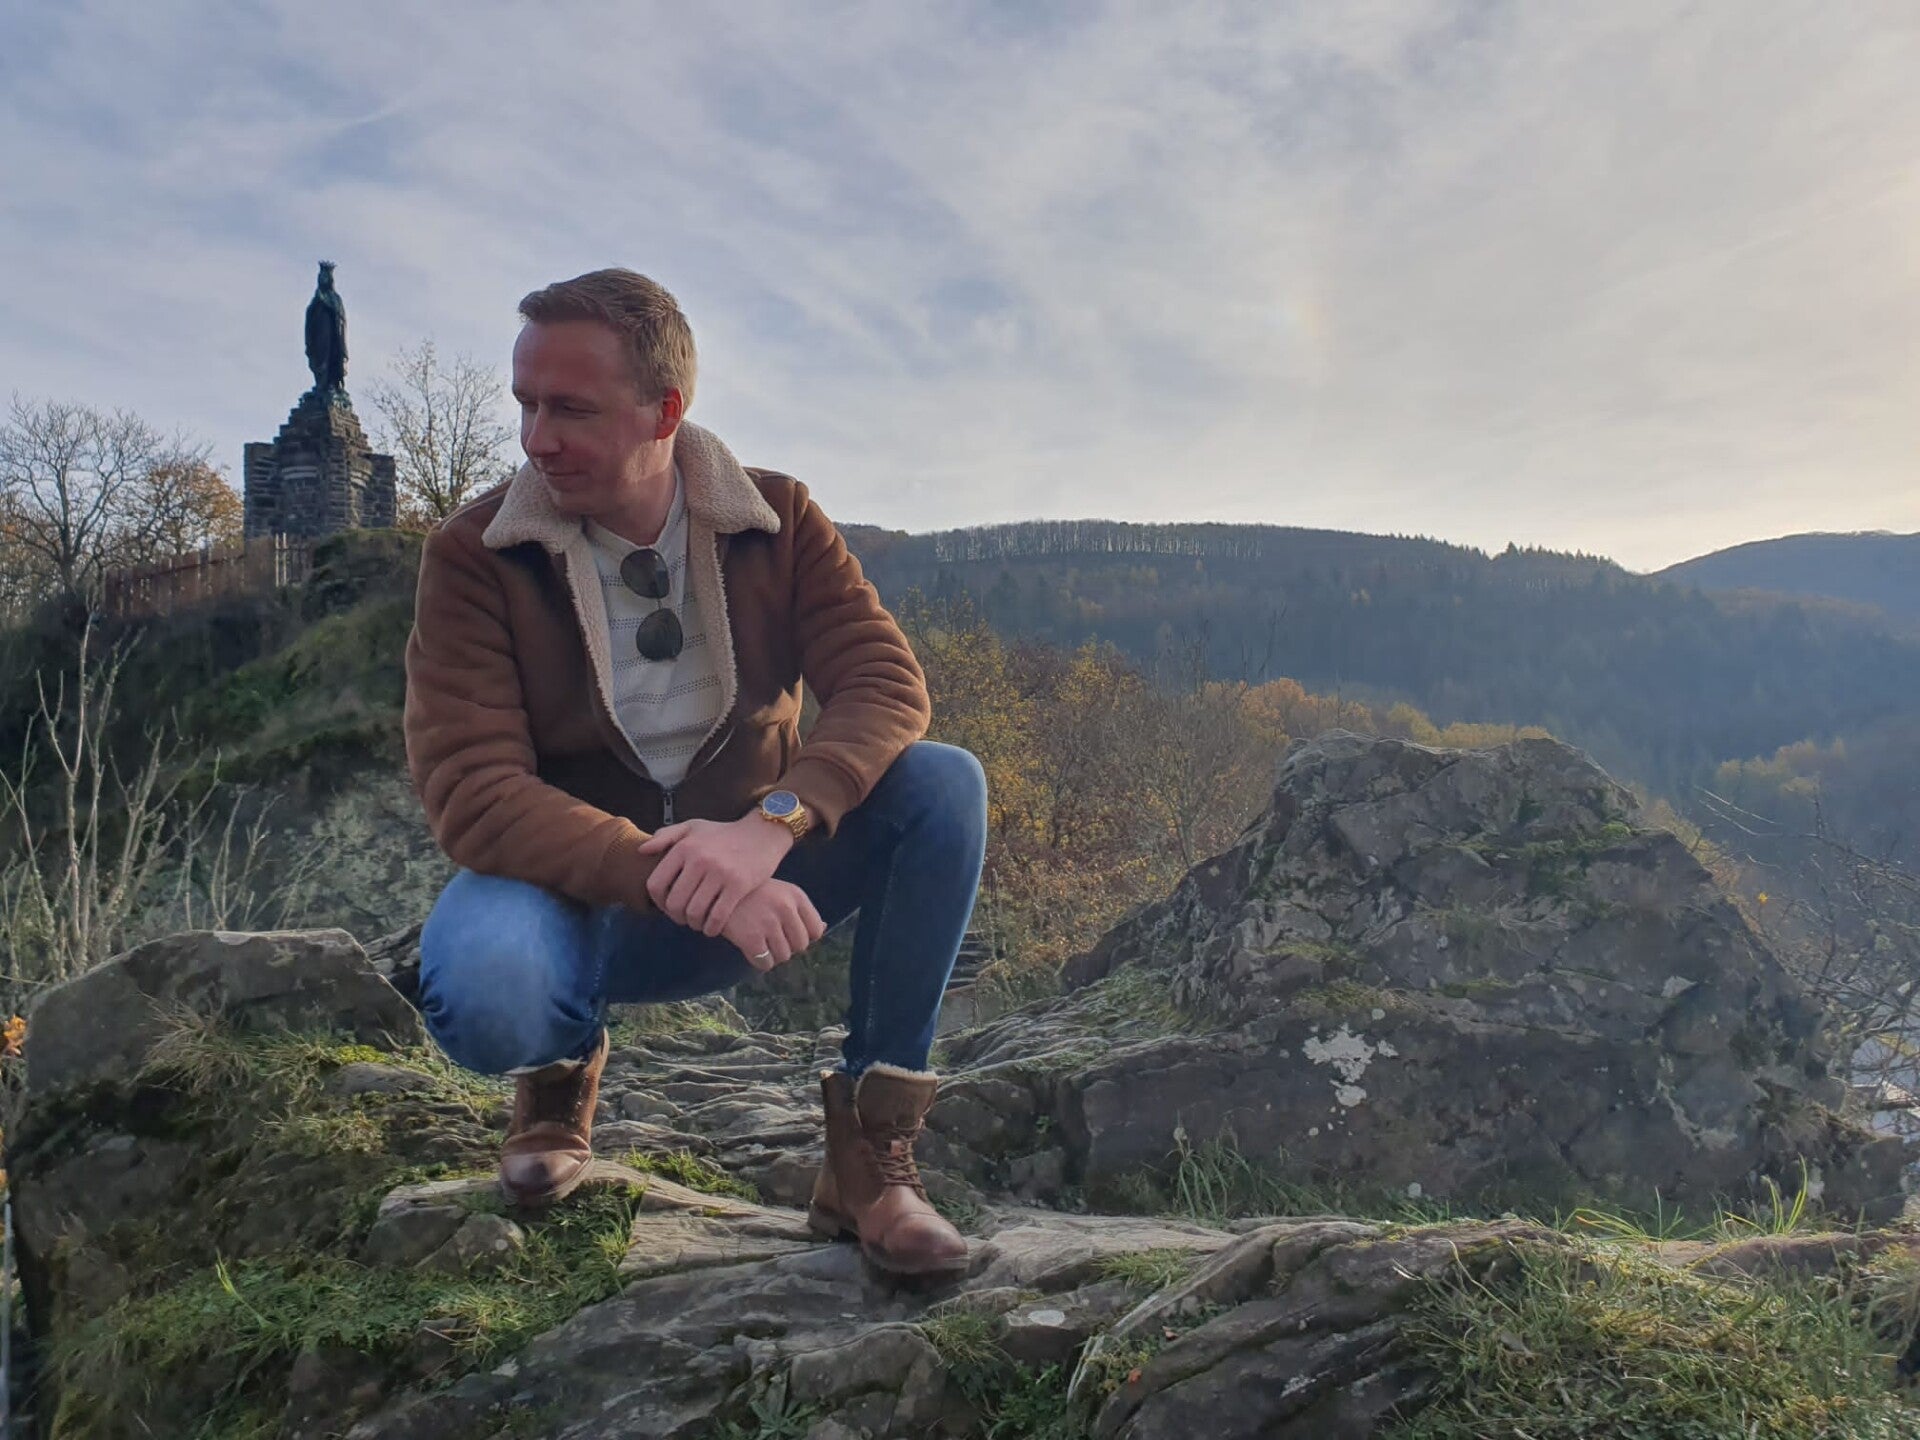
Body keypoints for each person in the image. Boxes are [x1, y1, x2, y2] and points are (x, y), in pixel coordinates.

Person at [402, 268, 987, 1278]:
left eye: (571, 409)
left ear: (664, 411)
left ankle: (871, 1159)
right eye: (526, 404)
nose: (536, 438)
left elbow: (884, 685)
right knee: (488, 983)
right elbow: (473, 791)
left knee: (942, 785)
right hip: (585, 903)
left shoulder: (777, 518)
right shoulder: (476, 555)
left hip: (764, 872)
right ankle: (556, 1080)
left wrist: (771, 827)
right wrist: (678, 873)